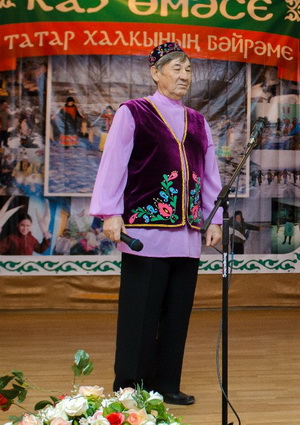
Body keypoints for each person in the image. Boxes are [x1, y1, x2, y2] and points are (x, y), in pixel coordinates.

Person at [89, 42, 223, 406]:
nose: (184, 76)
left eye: (188, 70)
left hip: (187, 234)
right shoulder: (134, 112)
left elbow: (210, 175)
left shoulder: (198, 121)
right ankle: (129, 385)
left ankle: (166, 384)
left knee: (177, 313)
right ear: (155, 73)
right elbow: (114, 162)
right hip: (144, 232)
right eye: (176, 68)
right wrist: (110, 212)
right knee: (140, 312)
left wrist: (213, 219)